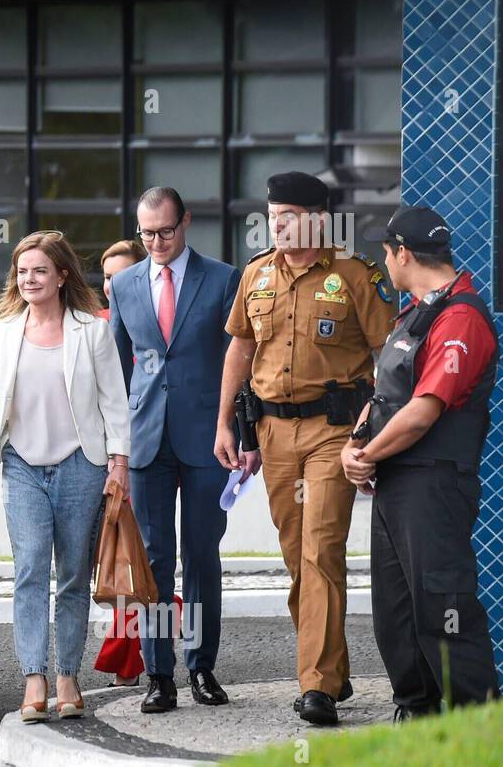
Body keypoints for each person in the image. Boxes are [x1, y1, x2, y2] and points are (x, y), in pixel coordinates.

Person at [0, 231, 130, 721]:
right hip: (21, 467)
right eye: (22, 271)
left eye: (40, 270)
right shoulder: (5, 331)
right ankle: (34, 679)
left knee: (74, 575)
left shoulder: (92, 331)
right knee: (31, 571)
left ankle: (67, 679)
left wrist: (118, 465)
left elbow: (114, 403)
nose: (30, 279)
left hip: (82, 465)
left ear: (62, 275)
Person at [217, 171, 396, 726]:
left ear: (319, 218)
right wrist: (225, 424)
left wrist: (370, 424)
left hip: (332, 431)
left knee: (320, 550)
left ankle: (314, 686)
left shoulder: (355, 276)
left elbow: (389, 356)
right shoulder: (257, 274)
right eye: (273, 217)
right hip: (272, 434)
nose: (279, 227)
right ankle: (332, 673)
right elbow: (240, 352)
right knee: (298, 557)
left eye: (290, 217)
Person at [341, 206, 501, 720]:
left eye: (386, 252)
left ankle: (478, 730)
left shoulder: (461, 317)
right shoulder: (415, 312)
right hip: (394, 486)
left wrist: (367, 455)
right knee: (396, 614)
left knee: (443, 610)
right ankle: (417, 717)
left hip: (433, 486)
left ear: (403, 253)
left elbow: (422, 412)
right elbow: (385, 396)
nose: (384, 262)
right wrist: (355, 443)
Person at [110, 187, 240, 713]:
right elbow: (118, 369)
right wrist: (114, 447)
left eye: (165, 231)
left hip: (210, 436)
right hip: (145, 441)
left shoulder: (223, 278)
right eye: (147, 234)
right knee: (154, 561)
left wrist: (238, 431)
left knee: (202, 556)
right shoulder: (123, 284)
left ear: (185, 221)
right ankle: (158, 674)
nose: (157, 242)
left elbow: (240, 359)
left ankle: (201, 667)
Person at [92, 238, 147, 687]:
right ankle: (165, 617)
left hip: (143, 453)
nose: (113, 285)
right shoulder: (94, 326)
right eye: (107, 277)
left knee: (132, 556)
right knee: (110, 556)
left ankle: (127, 655)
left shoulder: (152, 326)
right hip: (97, 457)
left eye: (122, 275)